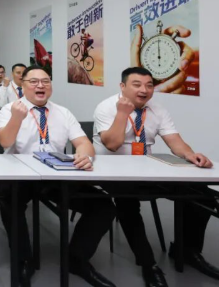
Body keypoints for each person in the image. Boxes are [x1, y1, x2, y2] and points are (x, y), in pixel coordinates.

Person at [93, 66, 219, 285]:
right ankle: (148, 264)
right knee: (127, 203)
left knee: (202, 195)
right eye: (137, 85)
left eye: (149, 85)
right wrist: (122, 113)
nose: (144, 90)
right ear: (122, 86)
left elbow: (174, 141)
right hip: (113, 171)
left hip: (147, 170)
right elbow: (112, 145)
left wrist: (191, 155)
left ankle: (186, 250)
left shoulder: (157, 109)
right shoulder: (106, 107)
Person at [0, 66, 115, 287]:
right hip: (21, 174)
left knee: (103, 205)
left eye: (46, 81)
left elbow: (83, 142)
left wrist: (85, 156)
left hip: (56, 175)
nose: (40, 85)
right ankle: (23, 259)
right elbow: (5, 142)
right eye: (34, 81)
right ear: (23, 85)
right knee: (8, 200)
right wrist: (17, 118)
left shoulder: (63, 112)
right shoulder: (10, 110)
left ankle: (76, 259)